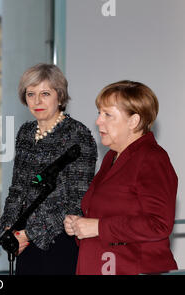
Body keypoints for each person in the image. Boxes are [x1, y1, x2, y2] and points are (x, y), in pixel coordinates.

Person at [64, 80, 178, 275]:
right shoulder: (112, 156)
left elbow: (159, 224)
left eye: (108, 114)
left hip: (132, 268)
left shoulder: (152, 158)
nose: (99, 121)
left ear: (134, 121)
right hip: (100, 265)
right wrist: (80, 224)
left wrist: (99, 227)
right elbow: (109, 213)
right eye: (99, 113)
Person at [0, 63, 97, 275]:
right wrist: (8, 228)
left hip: (59, 240)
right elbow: (17, 188)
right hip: (23, 241)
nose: (37, 101)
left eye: (45, 93)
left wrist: (29, 233)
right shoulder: (25, 133)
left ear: (60, 97)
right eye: (31, 94)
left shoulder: (78, 135)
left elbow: (78, 201)